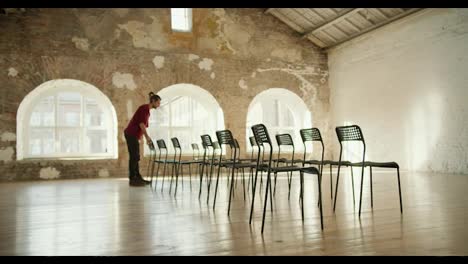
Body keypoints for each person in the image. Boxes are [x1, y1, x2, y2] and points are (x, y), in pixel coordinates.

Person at [124, 92, 161, 186]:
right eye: (158, 102)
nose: (159, 105)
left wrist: (142, 137)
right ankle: (133, 179)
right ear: (153, 101)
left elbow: (142, 125)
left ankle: (138, 177)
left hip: (133, 135)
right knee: (134, 156)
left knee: (136, 156)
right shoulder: (144, 109)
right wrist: (147, 137)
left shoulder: (147, 110)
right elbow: (141, 124)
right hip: (131, 134)